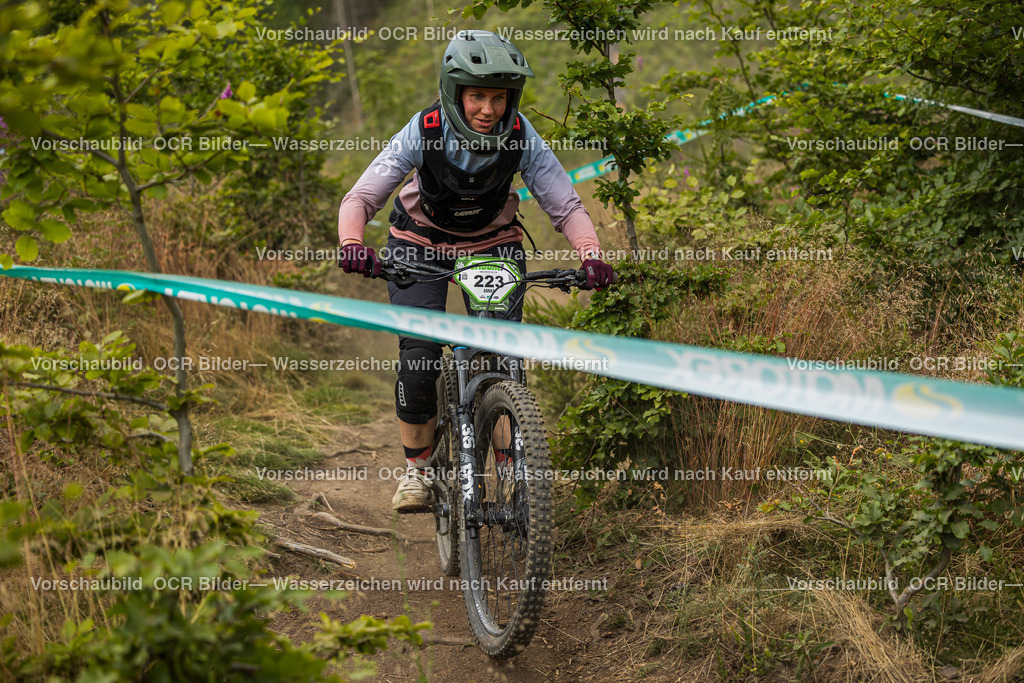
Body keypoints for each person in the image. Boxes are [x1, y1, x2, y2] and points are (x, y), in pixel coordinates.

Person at [337, 30, 614, 511]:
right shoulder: (422, 130)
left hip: (491, 246)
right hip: (419, 245)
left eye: (499, 98)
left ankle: (515, 477)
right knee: (419, 356)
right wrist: (352, 242)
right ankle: (417, 473)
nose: (489, 109)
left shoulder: (522, 135)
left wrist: (591, 253)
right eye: (477, 96)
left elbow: (565, 204)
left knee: (500, 355)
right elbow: (361, 197)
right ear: (455, 92)